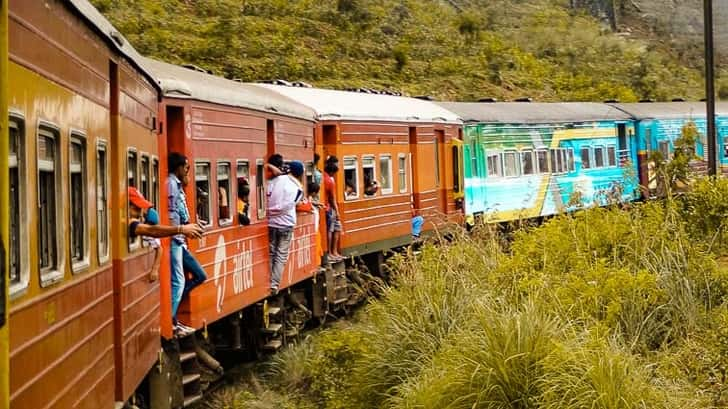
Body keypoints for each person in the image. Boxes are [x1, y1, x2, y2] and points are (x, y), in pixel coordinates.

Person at [167, 152, 208, 336]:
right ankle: (171, 320)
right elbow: (170, 213)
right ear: (178, 167)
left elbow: (180, 211)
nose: (187, 170)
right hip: (175, 239)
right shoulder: (171, 185)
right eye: (186, 167)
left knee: (199, 275)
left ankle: (173, 314)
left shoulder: (178, 185)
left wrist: (193, 225)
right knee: (179, 281)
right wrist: (180, 230)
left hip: (181, 239)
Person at [127, 187, 203, 286]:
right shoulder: (131, 224)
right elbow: (152, 230)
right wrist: (181, 229)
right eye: (137, 209)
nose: (140, 214)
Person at [267, 155, 303, 294]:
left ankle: (268, 279)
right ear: (300, 173)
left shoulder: (275, 179)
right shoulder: (298, 188)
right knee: (281, 255)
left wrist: (269, 213)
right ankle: (274, 284)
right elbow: (290, 205)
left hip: (270, 223)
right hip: (286, 224)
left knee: (270, 253)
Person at [324, 160, 343, 261]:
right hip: (328, 208)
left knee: (330, 230)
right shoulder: (329, 181)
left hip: (323, 208)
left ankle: (330, 252)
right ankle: (331, 252)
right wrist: (337, 212)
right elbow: (332, 198)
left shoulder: (321, 176)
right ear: (332, 172)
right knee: (331, 230)